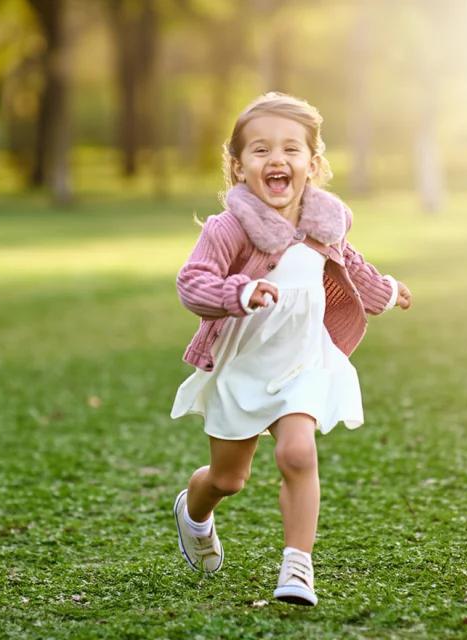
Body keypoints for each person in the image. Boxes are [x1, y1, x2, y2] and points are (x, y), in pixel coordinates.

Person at [170, 92, 412, 606]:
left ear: (312, 164)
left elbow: (351, 268)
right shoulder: (229, 228)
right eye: (260, 150)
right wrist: (239, 292)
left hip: (303, 360)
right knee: (229, 478)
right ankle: (194, 512)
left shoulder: (323, 225)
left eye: (291, 149)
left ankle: (297, 566)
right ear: (239, 167)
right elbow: (193, 282)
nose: (276, 159)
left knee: (298, 452)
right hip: (242, 364)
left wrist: (387, 292)